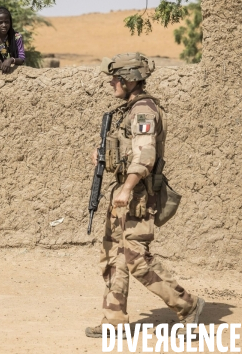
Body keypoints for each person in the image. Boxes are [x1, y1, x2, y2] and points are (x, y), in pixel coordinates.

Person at [85, 52, 205, 338]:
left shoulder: (144, 111)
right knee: (114, 256)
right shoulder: (129, 109)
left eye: (116, 78)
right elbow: (127, 150)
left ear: (129, 80)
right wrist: (104, 156)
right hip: (124, 192)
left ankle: (187, 305)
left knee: (137, 259)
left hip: (137, 194)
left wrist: (127, 188)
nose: (112, 83)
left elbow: (145, 154)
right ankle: (114, 321)